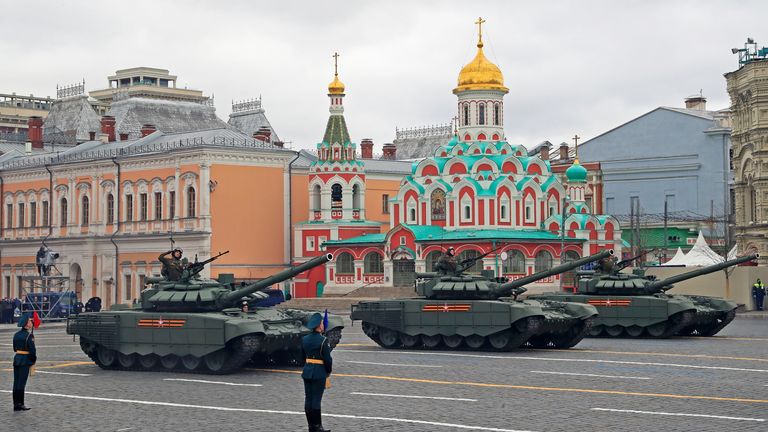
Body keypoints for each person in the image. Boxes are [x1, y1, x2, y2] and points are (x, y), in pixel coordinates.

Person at [301, 313, 332, 432]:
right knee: (316, 400)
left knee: (308, 399)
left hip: (307, 371)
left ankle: (311, 426)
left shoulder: (305, 339)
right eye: (322, 323)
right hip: (319, 372)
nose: (323, 325)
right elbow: (327, 359)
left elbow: (302, 357)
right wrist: (328, 371)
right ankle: (318, 427)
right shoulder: (323, 340)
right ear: (319, 326)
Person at [12, 313, 36, 411]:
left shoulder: (16, 335)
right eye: (30, 321)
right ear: (26, 324)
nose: (31, 322)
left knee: (16, 382)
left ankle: (15, 404)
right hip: (25, 360)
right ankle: (20, 404)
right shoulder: (29, 336)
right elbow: (32, 351)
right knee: (21, 383)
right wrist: (33, 360)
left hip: (17, 358)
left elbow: (14, 348)